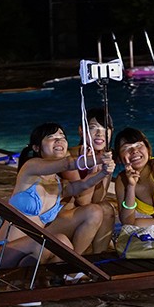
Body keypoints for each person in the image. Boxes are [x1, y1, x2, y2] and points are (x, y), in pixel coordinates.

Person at [0, 122, 115, 269]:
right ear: (36, 148)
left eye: (62, 137)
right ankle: (66, 272)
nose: (59, 140)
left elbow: (82, 185)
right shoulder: (30, 168)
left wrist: (103, 172)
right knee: (52, 242)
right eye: (51, 137)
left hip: (35, 249)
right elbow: (66, 164)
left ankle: (68, 274)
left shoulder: (57, 183)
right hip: (5, 252)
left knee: (69, 236)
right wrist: (98, 158)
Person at [59, 106, 115, 253]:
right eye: (93, 128)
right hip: (60, 219)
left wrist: (104, 171)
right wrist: (94, 171)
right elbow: (83, 201)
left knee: (107, 208)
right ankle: (75, 261)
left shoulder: (105, 157)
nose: (99, 133)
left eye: (105, 128)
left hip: (85, 213)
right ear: (81, 131)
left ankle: (97, 258)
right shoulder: (69, 158)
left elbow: (98, 199)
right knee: (94, 210)